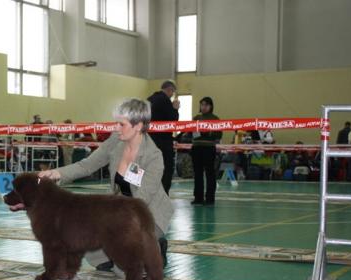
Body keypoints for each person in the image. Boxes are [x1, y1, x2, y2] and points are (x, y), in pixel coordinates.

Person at [38, 99, 173, 269]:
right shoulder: (116, 140)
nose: (116, 128)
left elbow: (141, 201)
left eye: (121, 124)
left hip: (148, 215)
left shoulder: (154, 157)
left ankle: (156, 247)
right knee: (91, 249)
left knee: (123, 265)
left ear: (138, 125)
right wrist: (56, 173)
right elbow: (87, 165)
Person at [147, 80, 180, 195]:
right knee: (166, 168)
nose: (172, 95)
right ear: (169, 89)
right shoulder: (165, 101)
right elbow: (173, 121)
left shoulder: (150, 99)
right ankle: (163, 194)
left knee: (150, 167)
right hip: (163, 141)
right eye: (172, 92)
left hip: (149, 139)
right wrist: (175, 108)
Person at [190, 97, 222, 206]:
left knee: (210, 173)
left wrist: (208, 133)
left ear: (211, 106)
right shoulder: (196, 118)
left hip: (209, 148)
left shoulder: (215, 118)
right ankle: (198, 198)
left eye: (206, 105)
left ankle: (210, 198)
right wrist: (198, 133)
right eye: (202, 104)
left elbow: (219, 134)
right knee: (198, 174)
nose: (203, 107)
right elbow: (191, 132)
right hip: (196, 148)